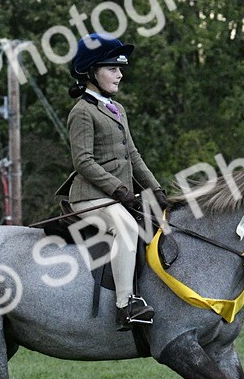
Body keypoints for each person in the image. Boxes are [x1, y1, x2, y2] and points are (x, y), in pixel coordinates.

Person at [58, 33, 170, 331]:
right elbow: (83, 162)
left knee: (162, 223)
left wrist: (156, 189)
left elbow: (132, 155)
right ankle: (125, 305)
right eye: (112, 68)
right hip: (90, 197)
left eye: (120, 69)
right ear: (90, 72)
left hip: (116, 196)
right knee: (127, 226)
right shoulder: (81, 112)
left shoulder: (117, 109)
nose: (119, 74)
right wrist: (120, 190)